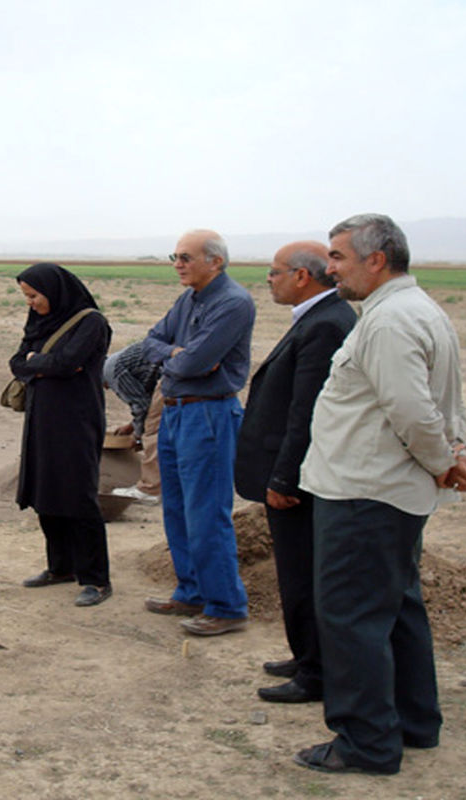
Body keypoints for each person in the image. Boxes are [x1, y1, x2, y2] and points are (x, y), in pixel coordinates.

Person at [294, 213, 466, 775]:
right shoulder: (414, 310)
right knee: (396, 610)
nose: (328, 269)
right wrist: (449, 453)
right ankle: (413, 722)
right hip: (384, 491)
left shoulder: (390, 321)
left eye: (336, 257)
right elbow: (436, 401)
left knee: (351, 617)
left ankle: (366, 743)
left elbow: (412, 409)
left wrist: (445, 462)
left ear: (375, 260)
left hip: (365, 493)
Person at [234, 241, 356, 704]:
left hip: (297, 479)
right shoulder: (317, 318)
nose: (269, 278)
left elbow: (306, 412)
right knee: (296, 572)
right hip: (295, 472)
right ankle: (307, 655)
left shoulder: (326, 325)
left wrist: (284, 479)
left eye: (275, 271)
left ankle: (316, 674)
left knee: (302, 575)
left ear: (303, 276)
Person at [141, 229, 254, 634]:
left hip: (208, 415)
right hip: (175, 414)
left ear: (216, 262)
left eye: (186, 257)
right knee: (176, 507)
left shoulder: (233, 303)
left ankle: (226, 606)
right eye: (175, 256)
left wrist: (180, 359)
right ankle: (191, 591)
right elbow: (152, 343)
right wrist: (177, 354)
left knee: (207, 512)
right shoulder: (188, 299)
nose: (178, 264)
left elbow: (193, 366)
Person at [12, 263, 113, 607]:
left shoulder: (91, 323)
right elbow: (16, 362)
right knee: (46, 491)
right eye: (26, 296)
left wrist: (36, 362)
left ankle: (96, 579)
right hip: (41, 420)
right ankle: (61, 567)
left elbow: (68, 363)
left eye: (34, 295)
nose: (30, 303)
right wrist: (42, 362)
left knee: (79, 495)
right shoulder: (41, 321)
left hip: (77, 420)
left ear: (54, 292)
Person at [103, 340, 162, 505]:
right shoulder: (113, 362)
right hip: (175, 373)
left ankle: (149, 490)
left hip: (172, 376)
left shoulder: (111, 373)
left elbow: (141, 406)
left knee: (152, 432)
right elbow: (149, 401)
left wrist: (137, 436)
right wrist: (131, 426)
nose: (107, 389)